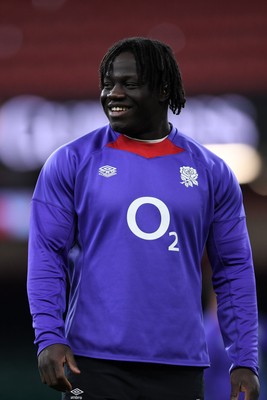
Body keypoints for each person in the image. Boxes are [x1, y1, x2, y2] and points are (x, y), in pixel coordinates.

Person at [27, 37, 260, 400]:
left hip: (179, 366)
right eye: (108, 84)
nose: (113, 94)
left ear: (164, 89)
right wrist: (48, 336)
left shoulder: (212, 171)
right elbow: (46, 256)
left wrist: (244, 358)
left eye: (128, 84)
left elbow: (233, 269)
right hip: (92, 361)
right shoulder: (71, 162)